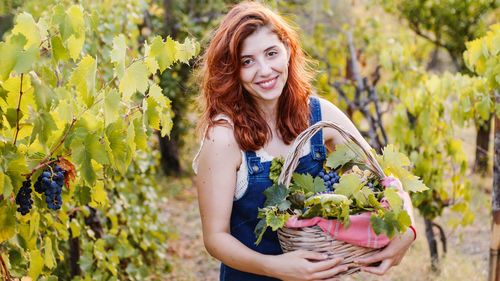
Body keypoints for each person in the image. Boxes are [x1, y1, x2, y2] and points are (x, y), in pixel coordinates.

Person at [193, 1, 416, 280]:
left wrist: (409, 228)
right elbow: (215, 238)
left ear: (287, 50)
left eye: (271, 53)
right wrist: (275, 267)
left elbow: (386, 179)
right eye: (247, 61)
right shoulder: (223, 137)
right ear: (232, 70)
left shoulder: (322, 115)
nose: (264, 70)